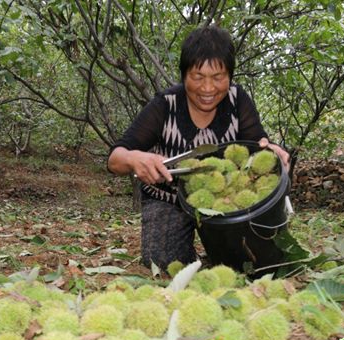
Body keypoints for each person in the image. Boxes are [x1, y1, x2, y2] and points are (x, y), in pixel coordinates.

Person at [107, 25, 290, 270]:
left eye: (217, 77)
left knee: (250, 263)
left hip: (224, 198)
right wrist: (134, 158)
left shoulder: (238, 101)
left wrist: (273, 154)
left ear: (230, 76)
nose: (207, 88)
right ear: (184, 75)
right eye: (198, 77)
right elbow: (115, 159)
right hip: (169, 199)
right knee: (161, 263)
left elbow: (258, 147)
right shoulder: (165, 105)